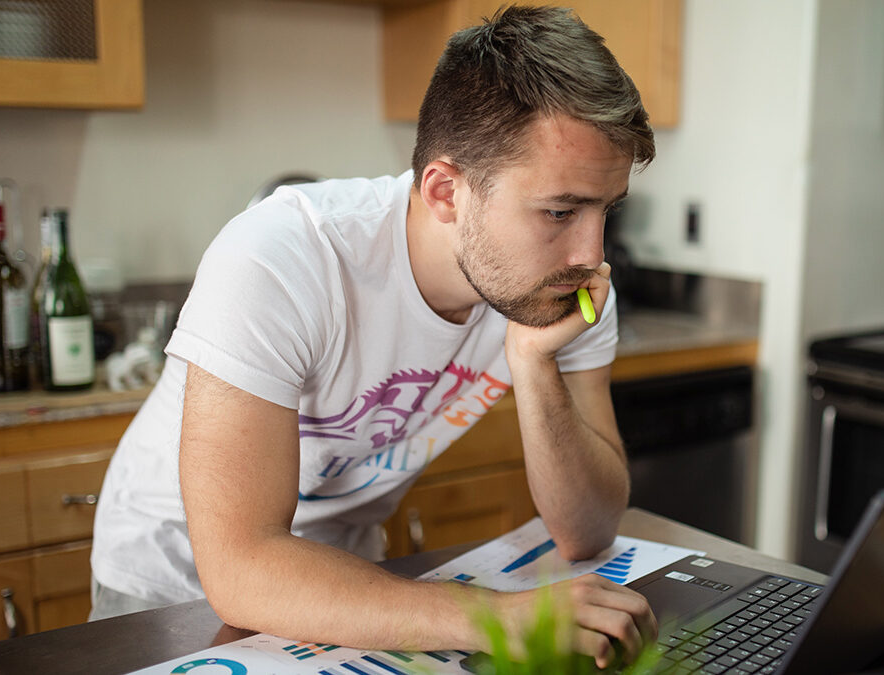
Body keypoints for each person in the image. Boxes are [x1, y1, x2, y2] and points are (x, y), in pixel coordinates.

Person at [90, 4, 657, 668]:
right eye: (560, 210)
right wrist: (502, 617)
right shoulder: (281, 256)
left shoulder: (559, 284)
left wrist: (533, 363)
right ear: (445, 191)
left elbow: (586, 530)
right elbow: (241, 569)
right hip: (172, 586)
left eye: (604, 210)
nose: (591, 249)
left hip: (348, 581)